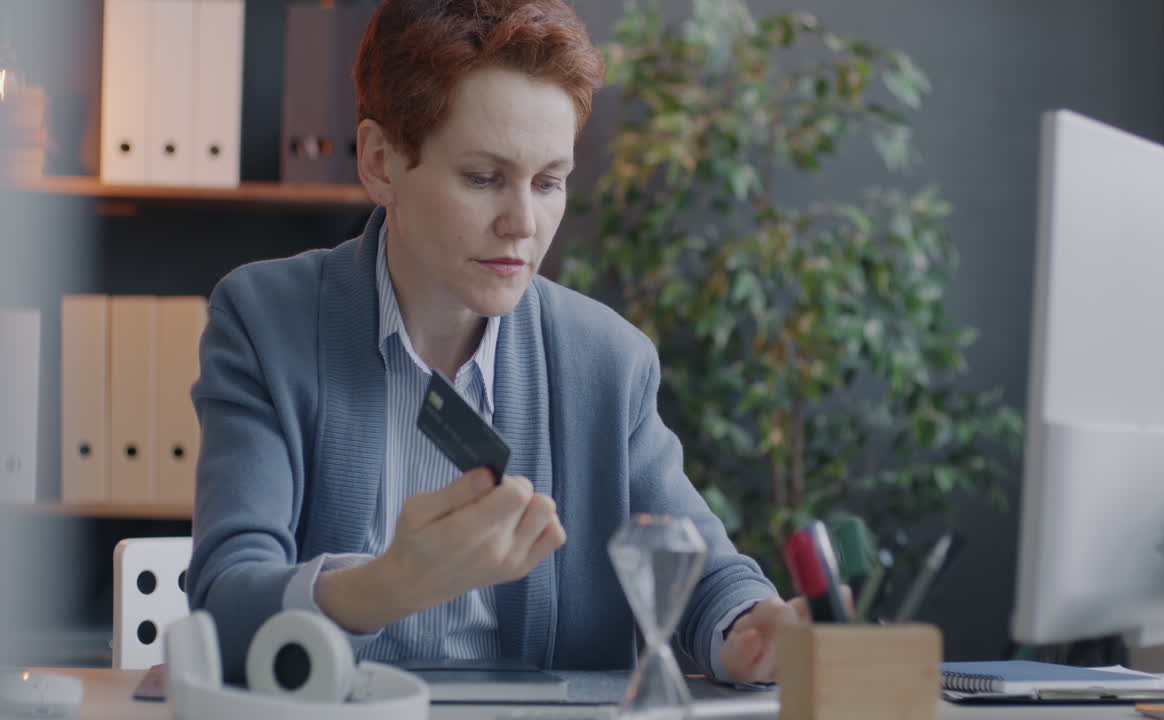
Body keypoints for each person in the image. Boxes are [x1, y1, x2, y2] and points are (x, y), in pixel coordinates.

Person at [187, 0, 828, 686]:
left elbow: (699, 569)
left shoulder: (607, 361)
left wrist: (748, 627)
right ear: (380, 162)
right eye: (484, 178)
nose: (523, 224)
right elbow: (223, 600)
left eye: (549, 182)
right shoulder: (266, 320)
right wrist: (385, 586)